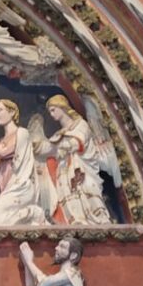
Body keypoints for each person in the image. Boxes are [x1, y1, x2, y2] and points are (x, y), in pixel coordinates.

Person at [35, 94, 112, 225]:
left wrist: (55, 146)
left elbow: (77, 143)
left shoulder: (81, 125)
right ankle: (75, 220)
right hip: (64, 169)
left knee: (86, 190)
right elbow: (49, 149)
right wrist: (35, 146)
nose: (52, 114)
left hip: (81, 169)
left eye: (53, 110)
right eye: (50, 112)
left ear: (62, 107)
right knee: (66, 194)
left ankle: (94, 219)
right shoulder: (59, 134)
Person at [0, 100, 47, 226]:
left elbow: (3, 152)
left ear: (12, 112)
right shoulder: (0, 141)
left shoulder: (22, 133)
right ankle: (28, 216)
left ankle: (32, 213)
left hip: (21, 188)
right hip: (6, 191)